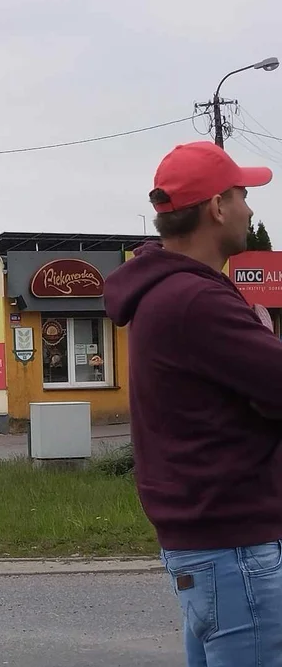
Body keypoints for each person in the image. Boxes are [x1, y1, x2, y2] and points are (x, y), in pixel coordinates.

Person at [103, 141, 280, 666]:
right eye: (243, 195)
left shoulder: (168, 292)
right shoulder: (197, 299)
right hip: (234, 546)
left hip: (210, 545)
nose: (250, 209)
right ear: (217, 206)